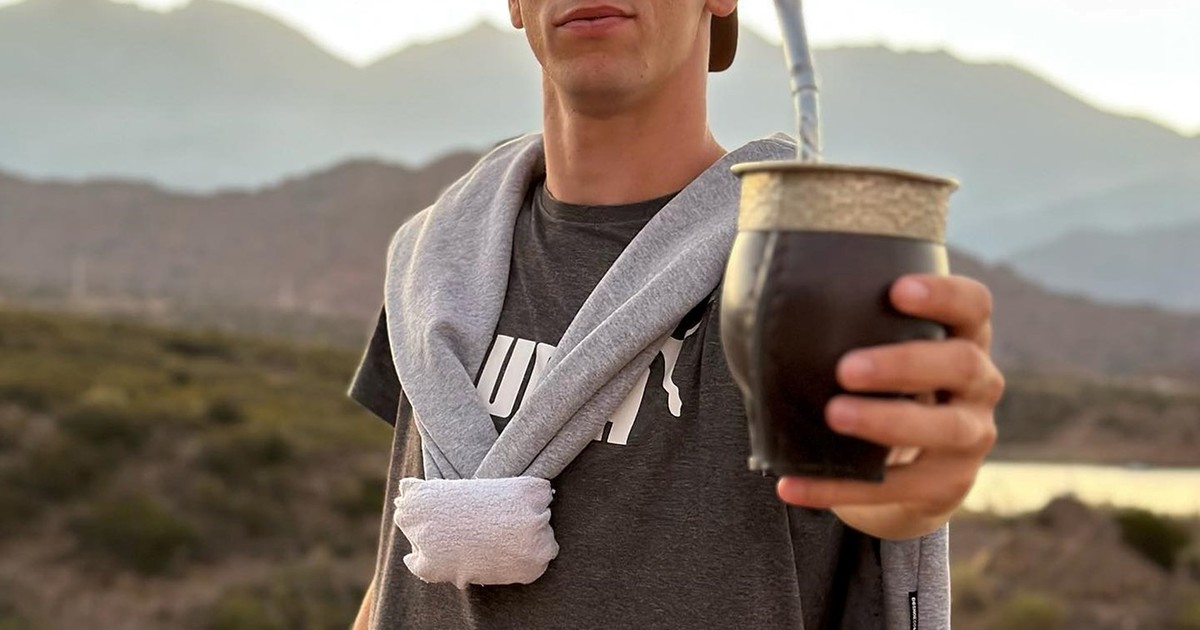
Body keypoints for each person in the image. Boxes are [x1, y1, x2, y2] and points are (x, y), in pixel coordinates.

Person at [347, 2, 1003, 628]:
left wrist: (915, 479)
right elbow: (401, 561)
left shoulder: (807, 272)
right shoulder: (437, 263)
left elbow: (889, 492)